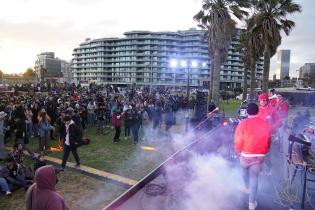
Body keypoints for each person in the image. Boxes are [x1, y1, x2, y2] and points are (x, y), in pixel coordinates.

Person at [234, 103, 271, 210]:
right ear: (257, 111)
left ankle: (246, 187)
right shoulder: (264, 124)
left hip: (246, 155)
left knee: (244, 170)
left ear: (247, 112)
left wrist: (238, 150)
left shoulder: (242, 124)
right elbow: (268, 139)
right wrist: (265, 151)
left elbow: (238, 139)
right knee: (254, 178)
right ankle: (252, 204)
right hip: (259, 156)